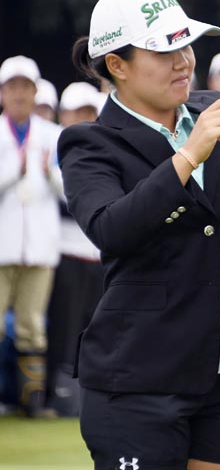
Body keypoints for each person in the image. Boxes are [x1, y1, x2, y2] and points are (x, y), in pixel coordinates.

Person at [58, 0, 220, 469]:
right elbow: (111, 228)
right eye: (164, 50)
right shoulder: (88, 143)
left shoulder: (218, 113)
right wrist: (187, 156)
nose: (184, 61)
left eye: (186, 44)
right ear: (117, 65)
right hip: (138, 383)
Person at [0, 55, 63, 417]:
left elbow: (71, 192)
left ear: (36, 92)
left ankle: (31, 401)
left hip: (39, 245)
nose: (19, 94)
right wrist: (16, 170)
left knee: (32, 325)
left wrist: (49, 174)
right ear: (3, 93)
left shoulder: (52, 135)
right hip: (3, 244)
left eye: (26, 87)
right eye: (13, 87)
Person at [46, 82, 105, 416]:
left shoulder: (101, 146)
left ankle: (86, 394)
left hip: (96, 253)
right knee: (65, 328)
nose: (83, 118)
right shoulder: (56, 144)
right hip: (66, 250)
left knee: (91, 326)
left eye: (88, 112)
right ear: (64, 114)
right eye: (77, 112)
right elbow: (69, 196)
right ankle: (59, 392)